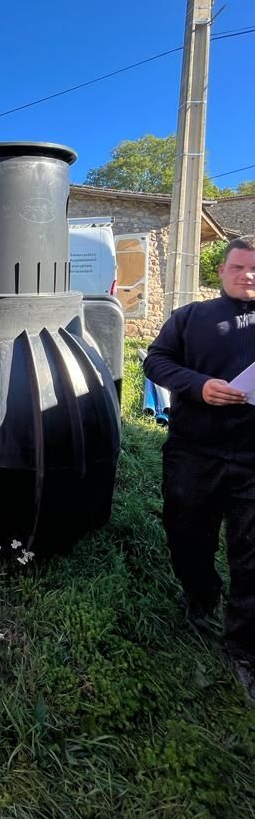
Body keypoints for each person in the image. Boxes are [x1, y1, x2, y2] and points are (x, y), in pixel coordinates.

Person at [143, 237, 255, 702]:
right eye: (239, 267)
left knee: (252, 555)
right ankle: (201, 595)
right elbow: (155, 361)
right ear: (223, 270)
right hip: (194, 451)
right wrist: (199, 385)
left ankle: (243, 647)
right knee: (187, 534)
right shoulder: (191, 317)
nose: (247, 275)